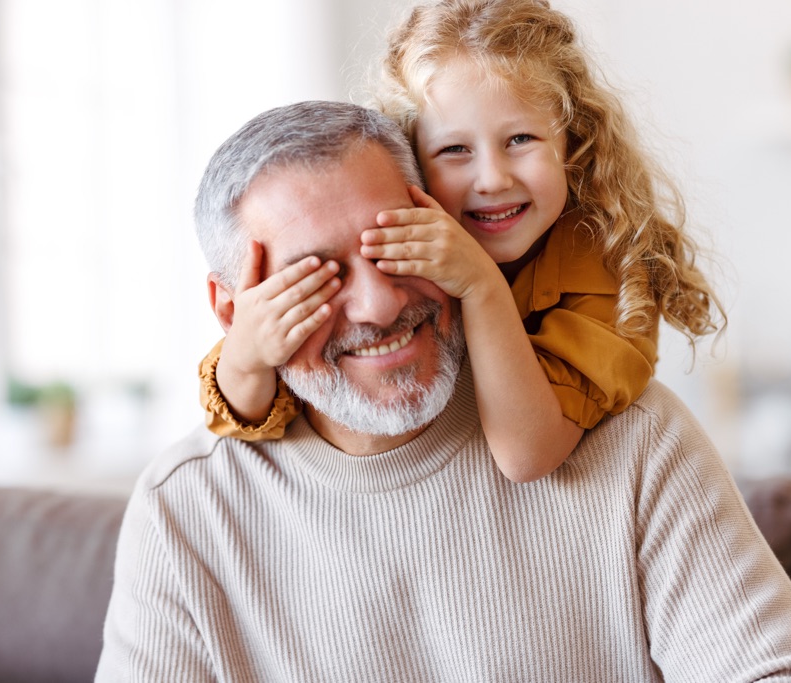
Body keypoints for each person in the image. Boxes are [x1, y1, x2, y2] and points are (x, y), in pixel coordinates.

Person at [95, 100, 791, 681]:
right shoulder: (185, 509)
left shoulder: (629, 432)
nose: (380, 305)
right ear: (233, 311)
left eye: (400, 246)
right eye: (315, 278)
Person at [197, 0, 725, 483]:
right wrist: (246, 357)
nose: (492, 178)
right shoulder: (386, 256)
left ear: (575, 143)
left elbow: (527, 455)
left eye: (520, 140)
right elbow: (246, 417)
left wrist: (479, 285)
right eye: (454, 149)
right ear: (413, 165)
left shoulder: (609, 270)